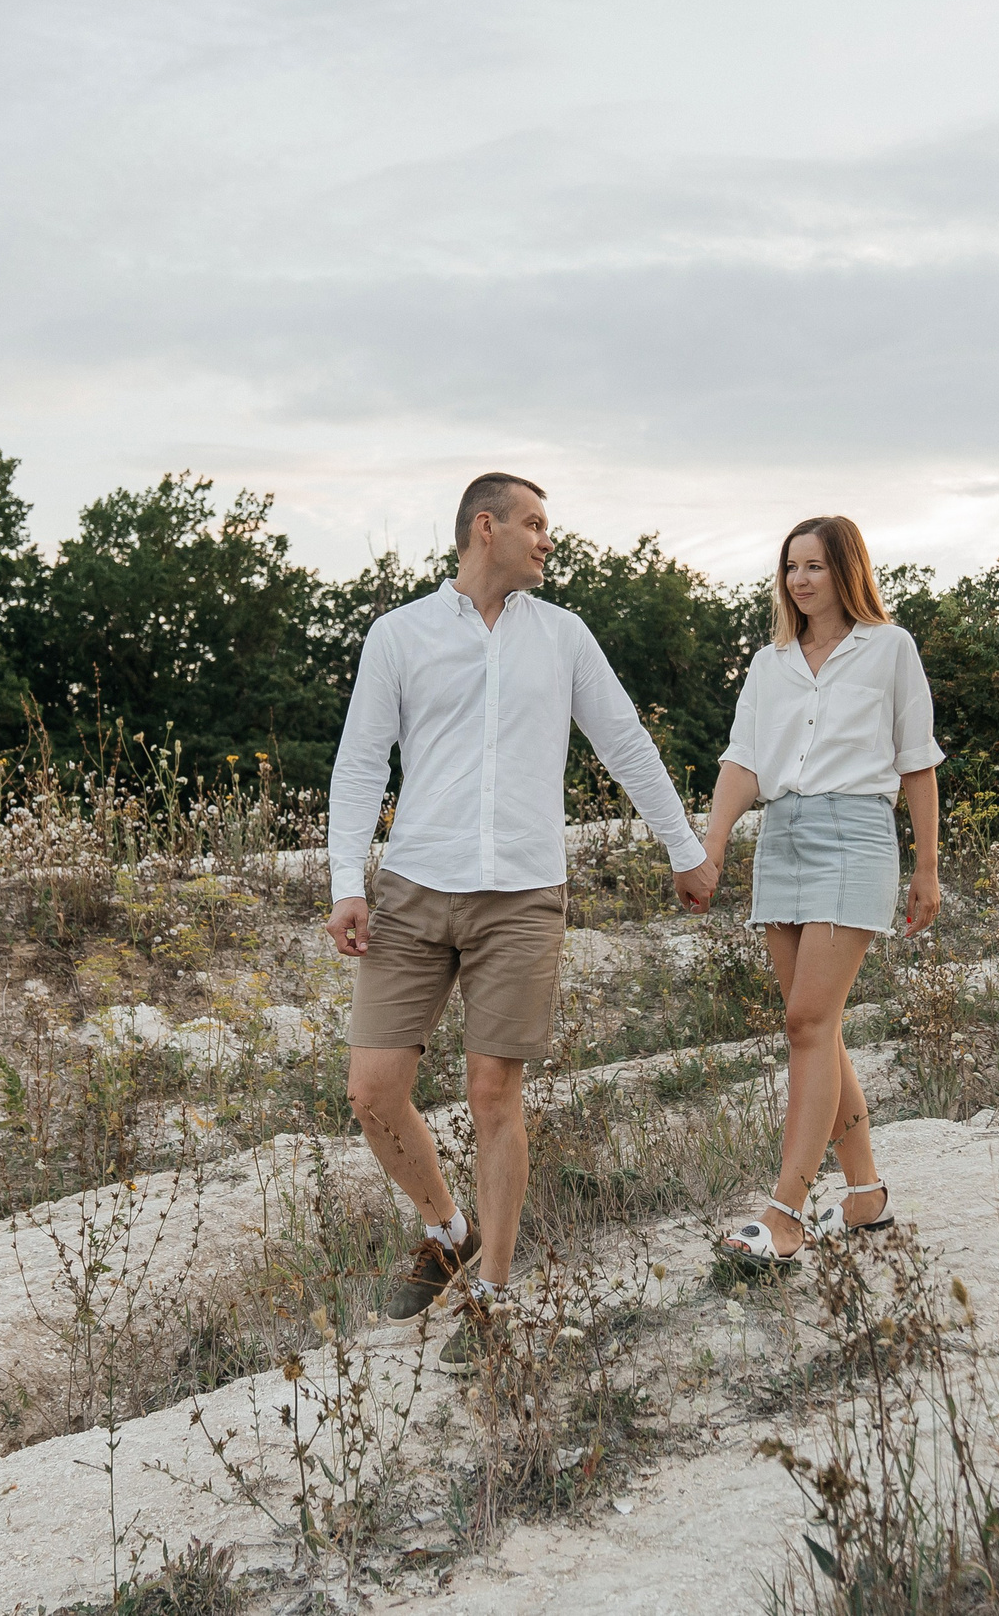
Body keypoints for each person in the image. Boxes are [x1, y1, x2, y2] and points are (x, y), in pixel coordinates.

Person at [326, 473, 721, 1371]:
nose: (548, 540)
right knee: (372, 1090)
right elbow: (360, 762)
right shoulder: (399, 635)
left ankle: (495, 1298)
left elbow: (625, 742)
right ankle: (446, 1229)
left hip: (523, 894)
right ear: (486, 527)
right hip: (415, 887)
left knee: (492, 1093)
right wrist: (348, 882)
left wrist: (684, 848)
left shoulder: (564, 635)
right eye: (535, 523)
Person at [698, 515, 942, 1268]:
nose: (800, 579)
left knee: (807, 1020)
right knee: (819, 1028)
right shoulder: (769, 662)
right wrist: (712, 847)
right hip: (783, 838)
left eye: (815, 565)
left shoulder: (890, 648)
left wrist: (927, 866)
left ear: (846, 570)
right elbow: (742, 760)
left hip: (856, 835)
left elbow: (917, 760)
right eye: (791, 566)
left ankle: (786, 1213)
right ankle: (865, 1192)